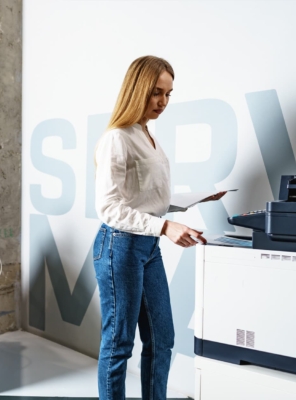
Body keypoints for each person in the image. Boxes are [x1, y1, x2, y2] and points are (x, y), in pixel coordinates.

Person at [93, 55, 225, 400]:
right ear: (137, 90)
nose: (162, 102)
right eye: (155, 93)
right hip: (119, 246)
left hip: (146, 247)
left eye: (168, 94)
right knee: (119, 343)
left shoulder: (145, 134)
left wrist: (196, 199)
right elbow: (109, 209)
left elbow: (144, 199)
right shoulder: (117, 138)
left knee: (162, 339)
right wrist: (166, 226)